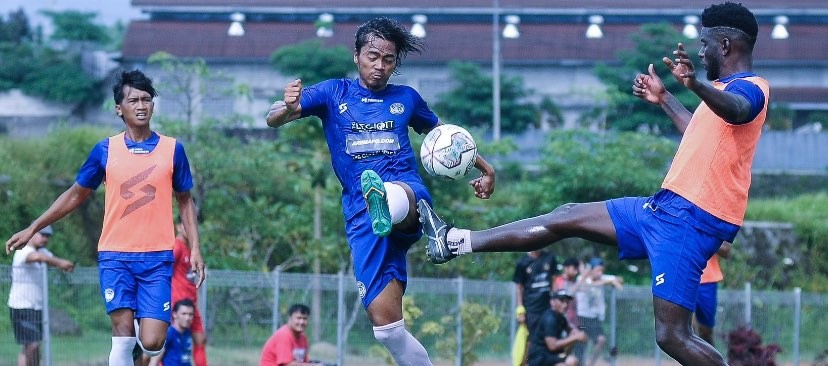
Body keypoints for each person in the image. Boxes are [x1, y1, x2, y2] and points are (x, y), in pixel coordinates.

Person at [417, 3, 768, 365]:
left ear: (725, 46)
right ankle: (455, 241)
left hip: (689, 221)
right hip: (662, 209)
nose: (700, 51)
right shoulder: (722, 94)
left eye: (705, 43)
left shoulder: (753, 89)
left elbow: (739, 110)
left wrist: (694, 83)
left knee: (672, 336)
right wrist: (664, 98)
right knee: (566, 216)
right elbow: (698, 131)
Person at [265, 17, 495, 366]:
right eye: (374, 56)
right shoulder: (333, 93)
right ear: (357, 55)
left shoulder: (407, 98)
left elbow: (447, 140)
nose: (381, 65)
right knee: (388, 331)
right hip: (362, 218)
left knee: (393, 193)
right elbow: (271, 117)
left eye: (389, 60)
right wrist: (288, 108)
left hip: (408, 193)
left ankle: (402, 208)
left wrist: (485, 168)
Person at [5, 69, 206, 366]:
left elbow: (186, 201)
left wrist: (196, 247)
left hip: (157, 257)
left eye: (147, 99)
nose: (141, 105)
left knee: (152, 342)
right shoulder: (105, 150)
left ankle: (140, 339)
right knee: (122, 333)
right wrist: (34, 226)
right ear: (119, 108)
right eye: (134, 100)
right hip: (116, 255)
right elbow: (74, 195)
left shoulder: (172, 150)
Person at [7, 225, 74, 366]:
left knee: (34, 346)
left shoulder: (43, 251)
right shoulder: (23, 250)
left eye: (48, 236)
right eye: (42, 235)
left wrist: (63, 264)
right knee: (32, 345)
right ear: (32, 234)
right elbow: (36, 257)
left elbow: (48, 257)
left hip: (36, 307)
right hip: (21, 306)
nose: (45, 238)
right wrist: (59, 262)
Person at [573, 258, 623, 366]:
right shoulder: (582, 278)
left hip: (595, 317)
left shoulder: (602, 277)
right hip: (582, 316)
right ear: (591, 270)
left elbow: (620, 279)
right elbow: (586, 287)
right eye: (598, 270)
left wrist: (612, 280)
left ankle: (591, 363)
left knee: (601, 340)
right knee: (581, 344)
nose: (600, 273)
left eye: (602, 270)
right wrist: (608, 281)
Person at [171, 222, 208, 366]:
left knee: (200, 340)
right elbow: (166, 272)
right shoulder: (177, 246)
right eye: (186, 225)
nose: (191, 229)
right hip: (178, 304)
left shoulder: (191, 249)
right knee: (170, 341)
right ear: (179, 226)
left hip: (192, 304)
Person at [526, 290, 587, 366]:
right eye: (562, 301)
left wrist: (578, 333)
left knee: (571, 360)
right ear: (552, 302)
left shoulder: (560, 317)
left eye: (567, 302)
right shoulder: (550, 319)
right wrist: (575, 337)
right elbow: (552, 346)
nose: (565, 305)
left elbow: (571, 330)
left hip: (550, 356)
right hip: (540, 358)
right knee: (570, 362)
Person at [695, 241, 732, 346]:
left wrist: (706, 237)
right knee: (686, 326)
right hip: (683, 277)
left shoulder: (714, 224)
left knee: (706, 331)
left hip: (707, 282)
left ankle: (709, 359)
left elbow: (726, 250)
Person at [513, 250, 558, 335]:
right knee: (530, 339)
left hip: (547, 307)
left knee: (549, 336)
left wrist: (555, 301)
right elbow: (519, 288)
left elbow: (554, 281)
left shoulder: (550, 258)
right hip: (531, 309)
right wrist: (520, 309)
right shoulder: (522, 262)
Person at [149, 299, 196, 366]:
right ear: (174, 314)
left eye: (190, 314)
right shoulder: (169, 333)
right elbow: (154, 360)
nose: (187, 318)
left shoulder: (188, 332)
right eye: (184, 314)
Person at [553, 257, 585, 328]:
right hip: (563, 321)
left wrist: (583, 272)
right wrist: (583, 277)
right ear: (566, 268)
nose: (576, 272)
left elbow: (585, 289)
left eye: (577, 269)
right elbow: (567, 294)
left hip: (574, 320)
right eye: (574, 269)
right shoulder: (559, 280)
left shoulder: (573, 282)